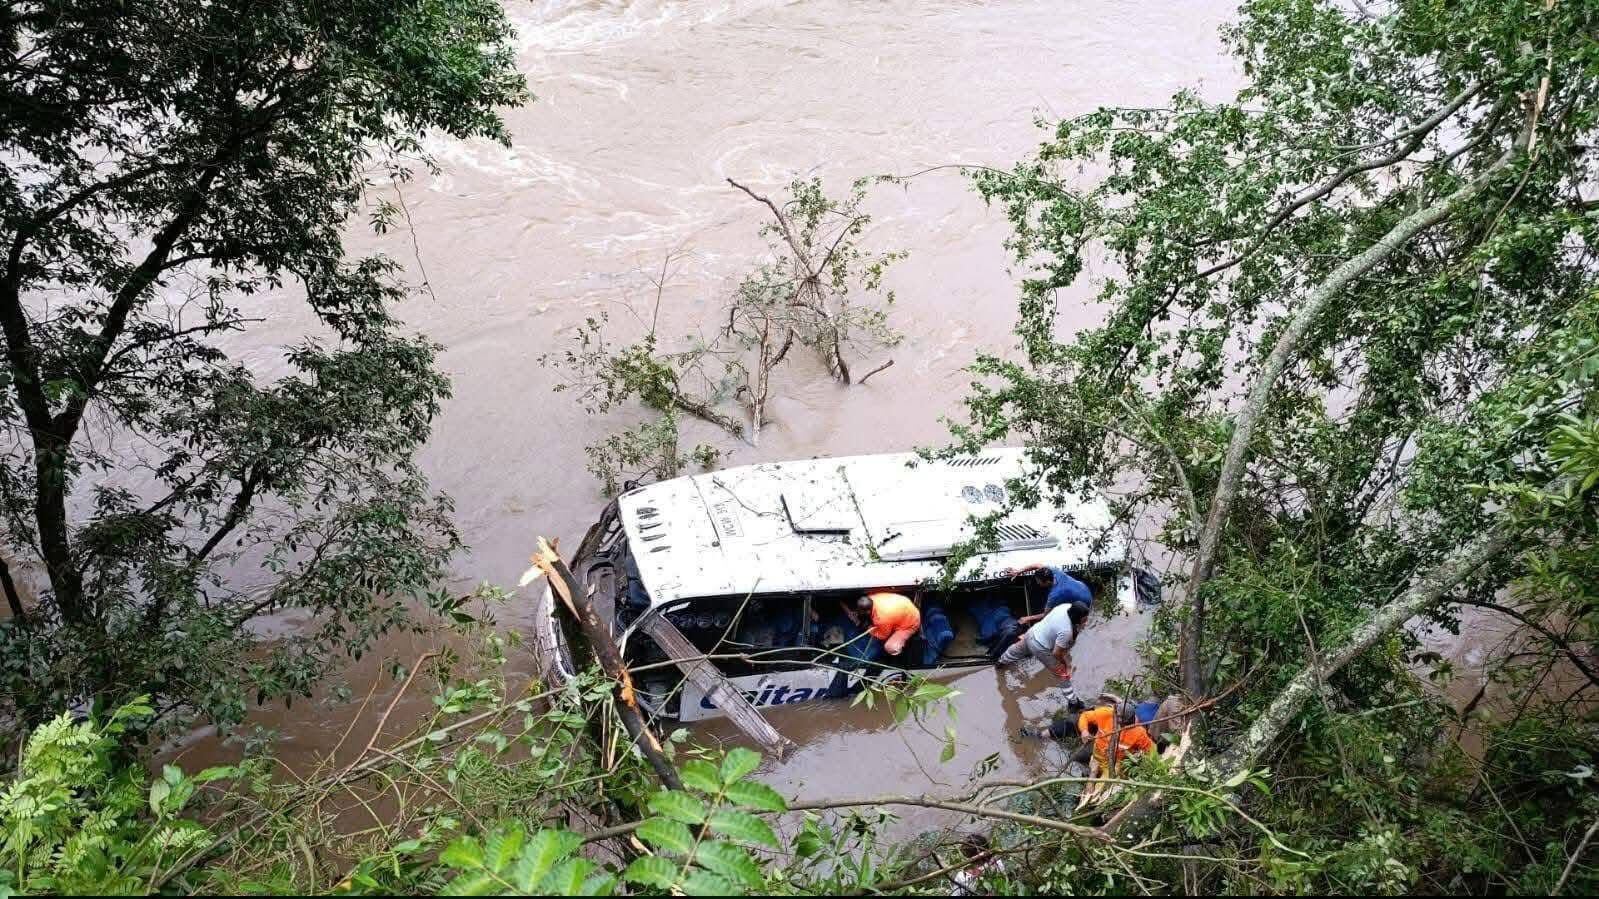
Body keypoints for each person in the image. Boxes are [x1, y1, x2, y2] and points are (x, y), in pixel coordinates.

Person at [995, 600, 1089, 709]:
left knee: (1016, 649)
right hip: (1040, 647)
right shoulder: (1066, 632)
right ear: (1076, 618)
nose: (1086, 622)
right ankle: (1073, 702)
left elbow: (1050, 622)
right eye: (1084, 620)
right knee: (1062, 673)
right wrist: (1066, 664)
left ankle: (1001, 662)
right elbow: (1057, 653)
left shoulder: (1065, 606)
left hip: (1033, 632)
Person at [842, 590, 921, 664]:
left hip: (910, 622)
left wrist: (868, 627)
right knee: (887, 623)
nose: (859, 612)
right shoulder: (871, 598)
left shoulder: (882, 619)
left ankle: (900, 654)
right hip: (904, 605)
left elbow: (882, 636)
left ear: (868, 611)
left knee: (890, 647)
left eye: (861, 611)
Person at [1003, 563, 1093, 625]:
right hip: (1083, 588)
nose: (1038, 584)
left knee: (1062, 619)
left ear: (1047, 582)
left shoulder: (1055, 595)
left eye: (1039, 582)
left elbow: (1046, 615)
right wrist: (1019, 571)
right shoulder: (1053, 571)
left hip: (1084, 602)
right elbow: (1037, 565)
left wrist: (1028, 618)